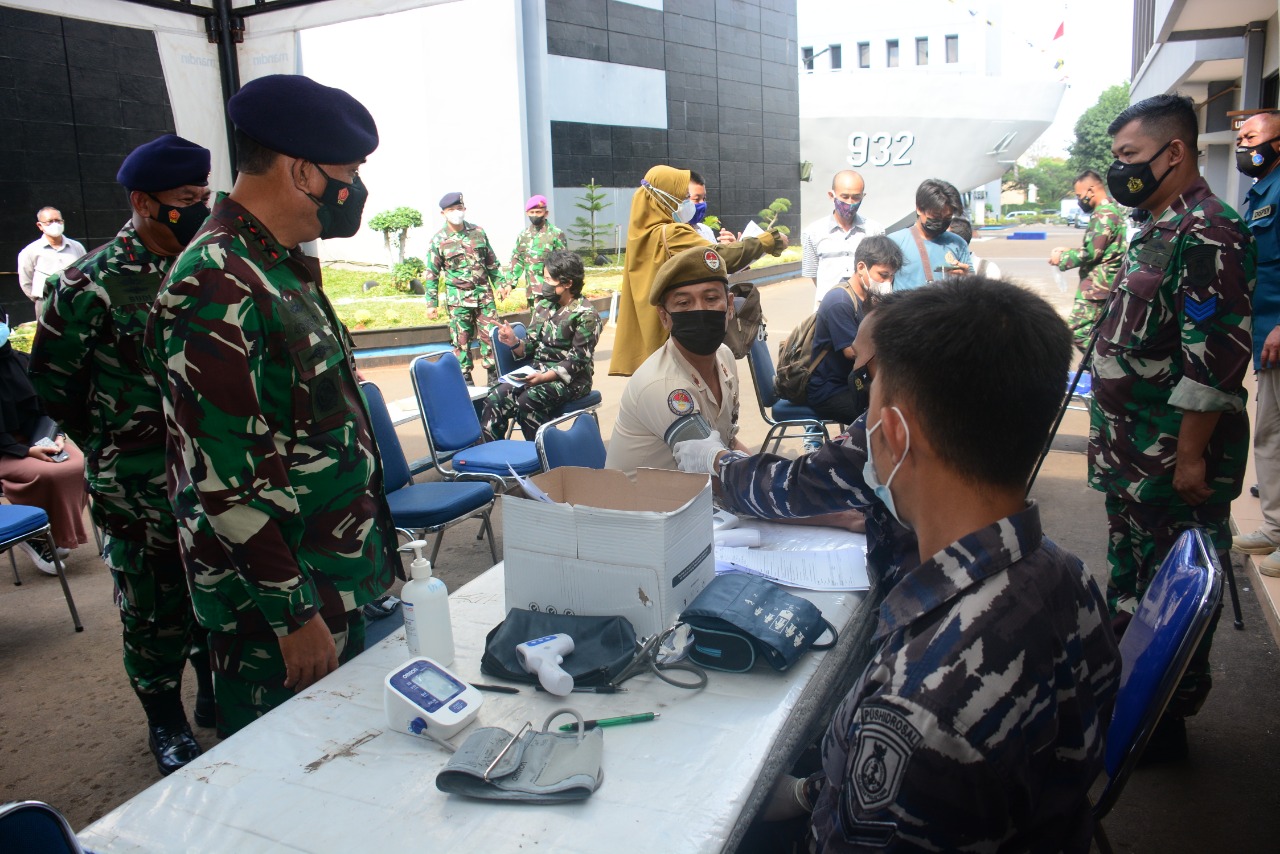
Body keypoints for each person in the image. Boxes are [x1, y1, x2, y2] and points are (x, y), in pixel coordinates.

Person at [752, 278, 1121, 851]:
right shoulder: (1065, 575)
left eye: (868, 397)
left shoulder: (918, 707)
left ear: (894, 434)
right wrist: (814, 792)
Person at [144, 74, 400, 736]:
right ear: (303, 172)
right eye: (349, 171)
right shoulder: (214, 282)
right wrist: (293, 615)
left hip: (330, 579)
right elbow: (225, 481)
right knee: (290, 795)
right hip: (279, 615)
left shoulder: (273, 264)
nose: (356, 189)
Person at [30, 134, 215, 775]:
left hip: (213, 468)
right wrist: (118, 444)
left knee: (214, 581)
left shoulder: (206, 267)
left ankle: (212, 685)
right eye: (185, 200)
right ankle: (164, 719)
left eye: (204, 196)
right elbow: (54, 385)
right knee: (153, 600)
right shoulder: (89, 284)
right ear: (143, 201)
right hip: (138, 479)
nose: (199, 208)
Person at [1091, 93, 1254, 758]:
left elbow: (1211, 365)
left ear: (1174, 152)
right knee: (1132, 588)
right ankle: (1128, 706)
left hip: (1169, 468)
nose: (1119, 171)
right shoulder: (1158, 225)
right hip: (1132, 464)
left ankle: (1164, 723)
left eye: (1129, 157)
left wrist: (1190, 459)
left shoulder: (1209, 231)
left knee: (1176, 603)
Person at [676, 296, 915, 584]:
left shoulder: (887, 428)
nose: (856, 378)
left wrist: (716, 460)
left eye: (863, 374)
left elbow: (792, 486)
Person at [609, 165, 787, 377]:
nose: (687, 203)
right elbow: (718, 258)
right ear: (663, 198)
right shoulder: (670, 232)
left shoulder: (643, 234)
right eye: (684, 197)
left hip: (651, 337)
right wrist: (768, 240)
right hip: (679, 337)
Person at [606, 244, 751, 474]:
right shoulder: (664, 386)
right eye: (684, 303)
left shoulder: (724, 357)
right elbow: (714, 466)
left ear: (730, 305)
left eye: (711, 298)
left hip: (693, 496)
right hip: (647, 506)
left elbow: (729, 442)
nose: (700, 311)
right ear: (664, 316)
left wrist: (781, 474)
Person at [0, 312, 88, 574]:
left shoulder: (20, 362)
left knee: (79, 463)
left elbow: (46, 407)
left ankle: (50, 531)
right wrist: (26, 451)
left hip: (38, 438)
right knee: (51, 472)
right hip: (7, 450)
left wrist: (56, 435)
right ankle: (35, 535)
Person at [482, 249, 602, 440]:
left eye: (548, 280)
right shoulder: (544, 306)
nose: (543, 285)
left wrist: (544, 377)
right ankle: (490, 455)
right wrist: (513, 342)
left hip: (572, 381)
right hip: (537, 371)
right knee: (495, 396)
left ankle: (541, 457)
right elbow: (529, 345)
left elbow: (577, 361)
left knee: (528, 401)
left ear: (568, 283)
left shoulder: (586, 315)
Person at [1233, 111, 1280, 578]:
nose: (1244, 147)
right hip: (1265, 337)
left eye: (1252, 138)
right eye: (1240, 139)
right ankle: (1275, 527)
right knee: (1269, 436)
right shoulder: (1260, 193)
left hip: (1278, 330)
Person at [805, 235, 902, 424]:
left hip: (856, 383)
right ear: (861, 267)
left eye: (891, 276)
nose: (888, 282)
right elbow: (855, 353)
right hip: (830, 390)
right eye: (883, 275)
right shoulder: (839, 301)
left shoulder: (870, 298)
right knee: (885, 418)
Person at [423, 192, 505, 382]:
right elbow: (432, 273)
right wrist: (431, 303)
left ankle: (495, 384)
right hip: (458, 301)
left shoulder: (478, 232)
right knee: (461, 343)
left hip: (484, 298)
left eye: (459, 209)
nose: (456, 213)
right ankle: (467, 385)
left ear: (464, 209)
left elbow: (491, 262)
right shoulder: (439, 240)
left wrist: (500, 284)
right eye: (451, 210)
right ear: (443, 214)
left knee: (491, 339)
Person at [1049, 169, 1127, 353]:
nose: (1079, 200)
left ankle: (1100, 367)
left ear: (1090, 190)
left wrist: (1062, 258)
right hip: (1104, 284)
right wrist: (1069, 250)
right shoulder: (1110, 209)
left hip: (1097, 287)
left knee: (1079, 331)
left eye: (1079, 195)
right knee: (1099, 332)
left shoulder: (1104, 214)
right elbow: (1102, 247)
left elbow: (1092, 253)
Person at [800, 169, 885, 308]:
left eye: (856, 197)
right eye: (844, 197)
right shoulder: (813, 232)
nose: (850, 203)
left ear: (863, 196)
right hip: (827, 310)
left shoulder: (875, 231)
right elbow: (813, 274)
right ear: (831, 195)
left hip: (865, 309)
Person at [886, 178, 972, 290]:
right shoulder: (894, 242)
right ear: (919, 209)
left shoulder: (958, 243)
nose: (941, 221)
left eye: (947, 217)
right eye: (936, 216)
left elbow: (972, 286)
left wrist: (966, 277)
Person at [17, 207, 85, 316]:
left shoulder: (77, 247)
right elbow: (26, 281)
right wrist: (41, 300)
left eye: (58, 221)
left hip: (76, 302)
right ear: (40, 225)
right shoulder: (30, 251)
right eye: (50, 221)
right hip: (46, 304)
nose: (55, 224)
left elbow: (86, 272)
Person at [504, 194, 567, 309]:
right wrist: (509, 284)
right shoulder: (523, 235)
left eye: (538, 212)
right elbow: (517, 260)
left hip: (551, 291)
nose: (535, 215)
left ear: (546, 213)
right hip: (532, 291)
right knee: (535, 324)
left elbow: (563, 263)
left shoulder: (556, 234)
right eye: (532, 212)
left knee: (553, 323)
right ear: (527, 213)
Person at [687, 171, 734, 244]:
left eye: (704, 198)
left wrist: (729, 249)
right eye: (696, 199)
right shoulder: (668, 235)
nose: (702, 203)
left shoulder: (705, 231)